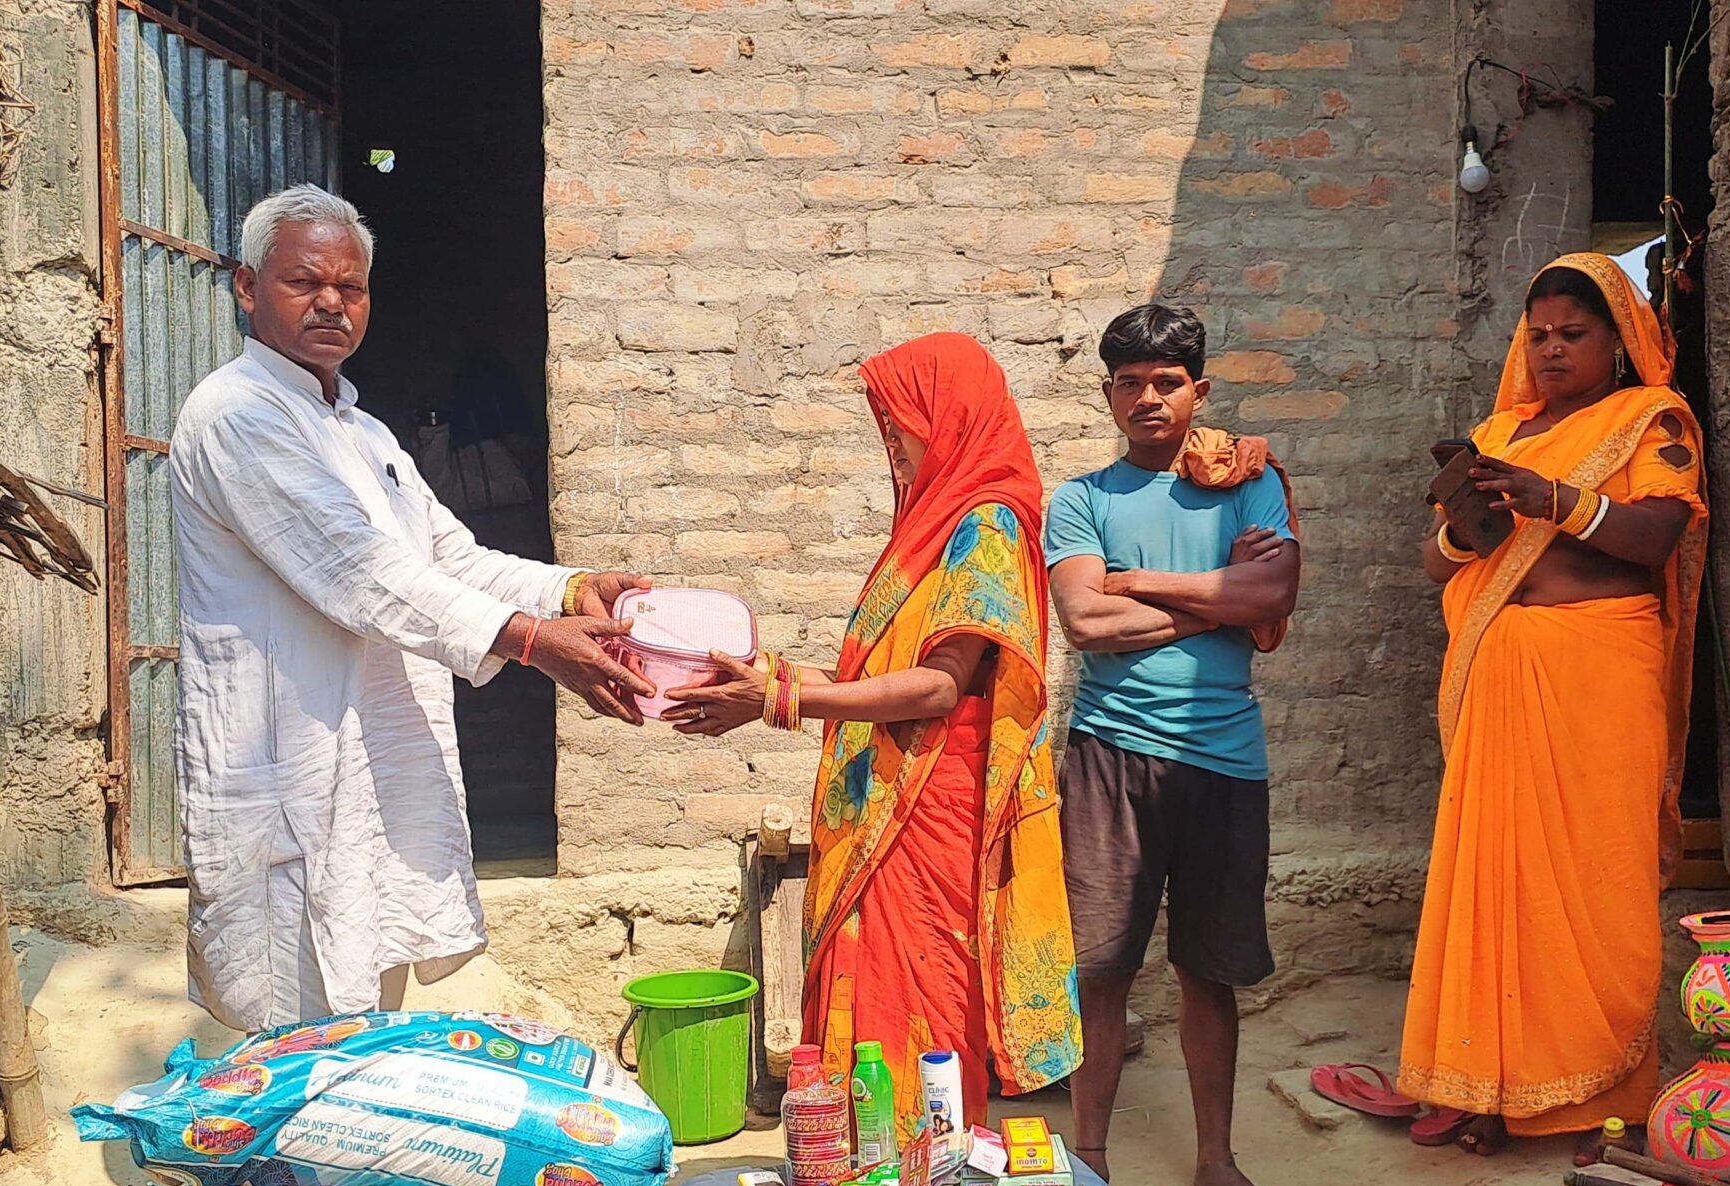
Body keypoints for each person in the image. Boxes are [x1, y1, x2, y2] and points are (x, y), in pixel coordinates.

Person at [169, 186, 654, 1032]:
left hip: (369, 774)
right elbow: (361, 576)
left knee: (364, 1006)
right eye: (303, 282)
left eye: (350, 288)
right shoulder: (236, 415)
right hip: (291, 771)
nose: (331, 303)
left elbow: (446, 557)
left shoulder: (363, 433)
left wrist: (570, 589)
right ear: (247, 288)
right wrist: (539, 644)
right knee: (296, 1037)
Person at [668, 333, 1080, 1129]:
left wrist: (781, 704)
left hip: (931, 816)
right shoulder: (929, 535)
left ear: (950, 416)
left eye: (901, 420)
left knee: (917, 1003)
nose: (890, 439)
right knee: (870, 1001)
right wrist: (767, 679)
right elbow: (875, 683)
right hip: (889, 809)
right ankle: (870, 1172)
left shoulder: (984, 528)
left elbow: (935, 687)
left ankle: (921, 1184)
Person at [1398, 253, 1707, 1156]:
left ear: (1620, 341)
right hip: (1502, 667)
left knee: (1593, 881)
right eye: (1538, 336)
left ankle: (1607, 1095)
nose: (1552, 351)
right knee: (1495, 881)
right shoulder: (1504, 429)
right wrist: (1471, 524)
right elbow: (1435, 559)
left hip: (1599, 671)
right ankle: (1493, 1089)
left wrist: (1559, 500)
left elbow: (1658, 534)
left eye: (1573, 334)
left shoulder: (1647, 420)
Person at [1044, 304, 1303, 1186]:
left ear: (1200, 388)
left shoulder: (1251, 483)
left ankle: (1217, 1164)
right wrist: (1214, 607)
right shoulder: (1079, 497)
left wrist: (1136, 581)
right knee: (1101, 967)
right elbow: (1084, 624)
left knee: (1211, 971)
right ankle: (1091, 1163)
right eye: (1129, 383)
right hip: (1109, 757)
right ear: (1109, 393)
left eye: (1166, 382)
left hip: (1224, 759)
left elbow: (1272, 593)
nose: (1147, 398)